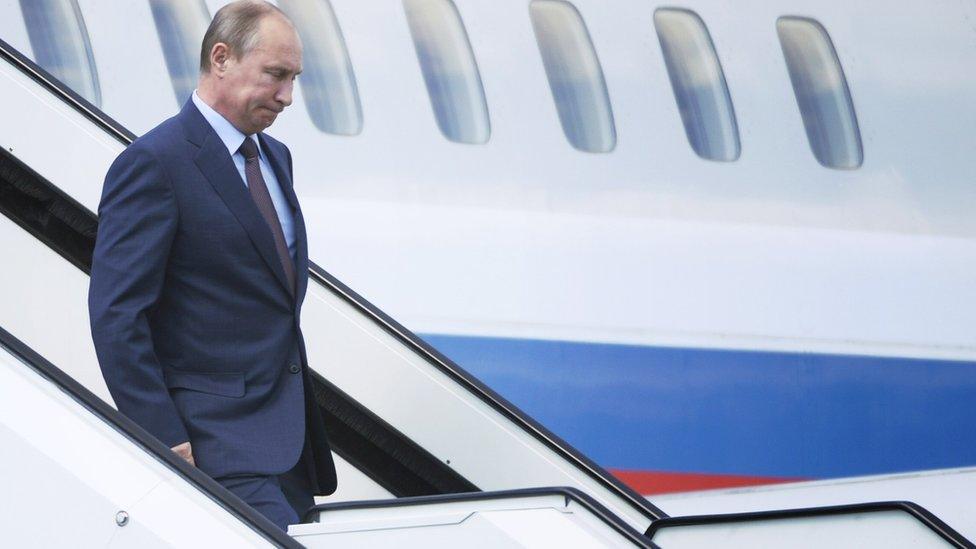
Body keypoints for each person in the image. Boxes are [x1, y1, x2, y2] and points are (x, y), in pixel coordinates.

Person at [88, 0, 335, 531]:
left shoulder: (275, 157)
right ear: (220, 58)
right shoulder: (155, 163)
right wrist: (162, 435)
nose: (287, 96)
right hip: (211, 447)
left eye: (293, 78)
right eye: (275, 75)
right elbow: (116, 314)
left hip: (288, 452)